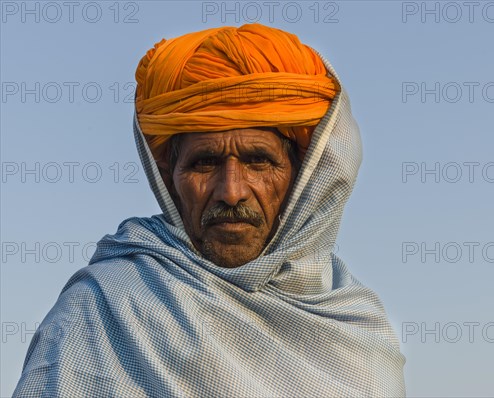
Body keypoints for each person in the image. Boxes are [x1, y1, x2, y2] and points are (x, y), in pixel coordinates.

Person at [13, 23, 406, 397]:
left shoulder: (358, 332)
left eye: (258, 161)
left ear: (302, 177)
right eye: (204, 163)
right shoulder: (106, 308)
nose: (231, 192)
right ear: (169, 177)